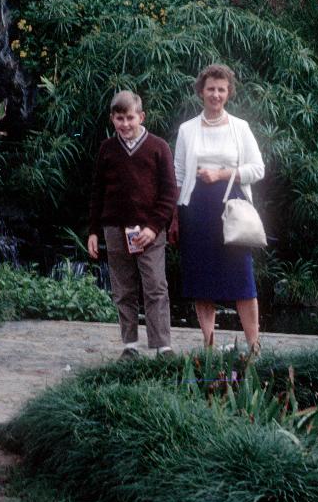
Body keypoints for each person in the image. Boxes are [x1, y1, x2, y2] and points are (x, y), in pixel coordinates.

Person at [173, 63, 265, 356]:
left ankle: (254, 346)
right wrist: (174, 218)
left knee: (243, 280)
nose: (215, 94)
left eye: (221, 89)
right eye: (210, 88)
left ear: (229, 93)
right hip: (196, 212)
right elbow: (177, 175)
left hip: (233, 210)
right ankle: (209, 347)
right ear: (201, 91)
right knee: (202, 282)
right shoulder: (186, 129)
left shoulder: (241, 128)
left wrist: (223, 174)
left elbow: (258, 169)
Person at [87, 90, 179, 358]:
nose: (125, 124)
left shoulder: (158, 147)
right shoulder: (107, 149)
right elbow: (97, 192)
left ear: (141, 116)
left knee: (155, 287)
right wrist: (93, 231)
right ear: (112, 119)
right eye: (119, 119)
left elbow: (169, 192)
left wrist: (153, 227)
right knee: (123, 289)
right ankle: (130, 346)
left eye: (130, 118)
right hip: (115, 229)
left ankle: (163, 346)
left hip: (149, 231)